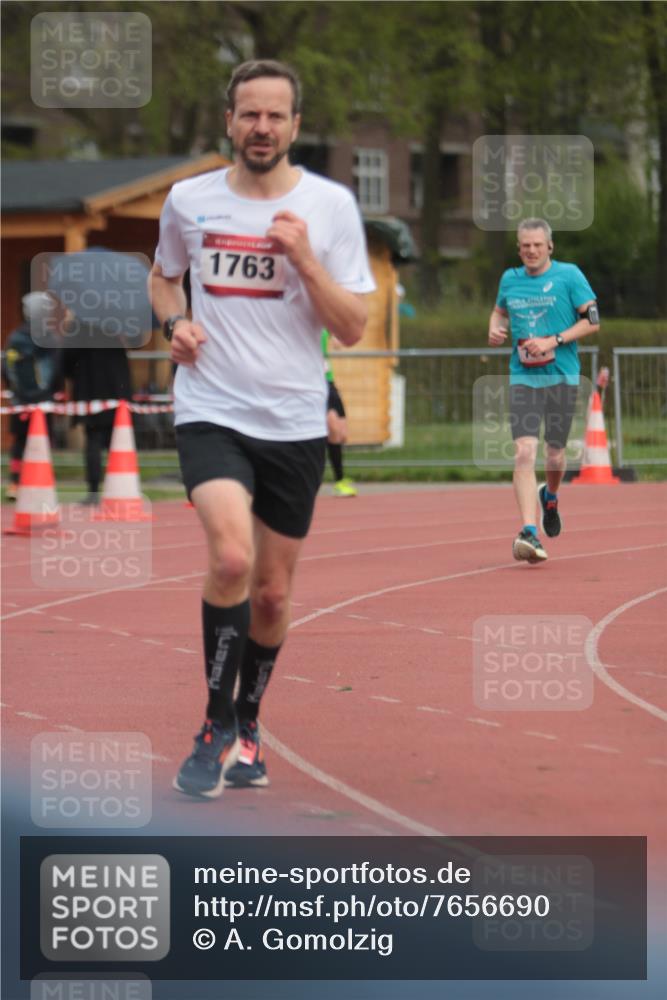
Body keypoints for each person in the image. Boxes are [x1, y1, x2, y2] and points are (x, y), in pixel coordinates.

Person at [149, 59, 375, 798]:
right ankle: (213, 725)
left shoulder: (331, 207)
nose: (261, 127)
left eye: (275, 115)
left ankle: (248, 722)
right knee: (229, 557)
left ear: (295, 126)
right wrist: (174, 321)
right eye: (249, 114)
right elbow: (162, 275)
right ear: (229, 120)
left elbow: (350, 328)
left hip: (293, 420)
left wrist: (305, 258)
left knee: (272, 597)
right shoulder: (189, 199)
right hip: (212, 407)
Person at [488, 218, 600, 563]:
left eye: (537, 245)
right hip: (523, 377)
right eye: (525, 245)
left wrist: (554, 339)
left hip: (561, 377)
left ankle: (550, 496)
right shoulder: (510, 279)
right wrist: (495, 329)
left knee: (554, 454)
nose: (531, 251)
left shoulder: (570, 276)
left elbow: (593, 321)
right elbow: (498, 312)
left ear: (549, 246)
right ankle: (529, 531)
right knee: (524, 451)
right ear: (519, 248)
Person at [2, 292, 64, 500]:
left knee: (19, 441)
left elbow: (5, 367)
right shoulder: (49, 338)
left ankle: (14, 483)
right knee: (42, 441)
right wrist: (55, 391)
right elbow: (57, 368)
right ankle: (40, 482)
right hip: (43, 400)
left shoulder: (15, 337)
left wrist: (15, 389)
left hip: (20, 400)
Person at [62, 346, 132, 504]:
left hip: (90, 387)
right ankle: (121, 491)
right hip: (116, 387)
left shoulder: (80, 326)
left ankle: (94, 492)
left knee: (94, 440)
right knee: (118, 442)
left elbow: (67, 357)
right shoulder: (119, 323)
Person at [322, 328, 357, 497]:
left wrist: (338, 337)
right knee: (333, 428)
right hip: (314, 382)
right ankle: (339, 481)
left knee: (342, 434)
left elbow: (340, 336)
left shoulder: (322, 321)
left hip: (329, 381)